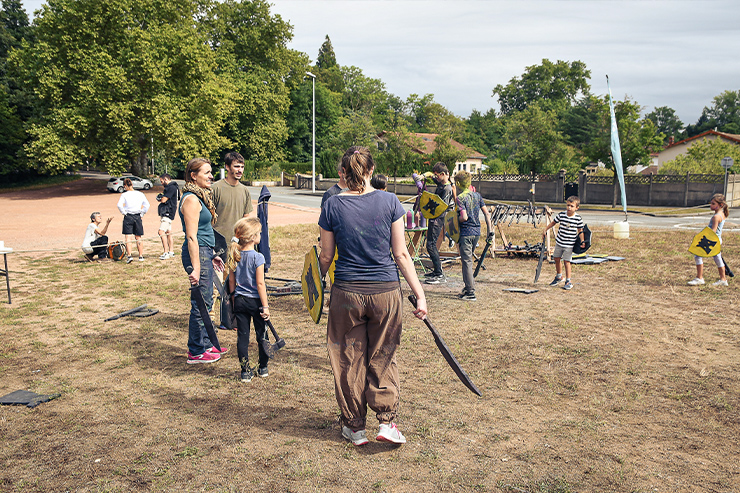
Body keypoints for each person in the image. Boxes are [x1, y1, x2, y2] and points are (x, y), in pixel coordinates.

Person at [318, 146, 428, 447]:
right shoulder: (390, 201)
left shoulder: (331, 205)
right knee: (384, 353)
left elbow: (326, 256)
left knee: (347, 358)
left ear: (344, 172)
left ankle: (354, 427)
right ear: (370, 171)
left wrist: (316, 286)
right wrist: (420, 295)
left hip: (347, 293)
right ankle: (387, 423)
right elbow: (401, 254)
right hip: (385, 292)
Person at [179, 158, 228, 364]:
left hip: (205, 251)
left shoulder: (200, 197)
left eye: (211, 172)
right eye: (206, 173)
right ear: (193, 175)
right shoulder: (191, 199)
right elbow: (191, 236)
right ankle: (196, 351)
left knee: (207, 302)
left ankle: (208, 344)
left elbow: (204, 232)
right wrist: (197, 267)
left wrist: (213, 254)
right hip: (196, 252)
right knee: (200, 303)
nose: (211, 176)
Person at [212, 152, 254, 326]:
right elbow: (207, 218)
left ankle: (232, 319)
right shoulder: (215, 188)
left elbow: (246, 220)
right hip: (217, 246)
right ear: (227, 167)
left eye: (242, 167)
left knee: (234, 285)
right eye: (236, 166)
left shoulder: (244, 191)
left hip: (236, 247)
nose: (240, 170)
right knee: (214, 287)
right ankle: (210, 321)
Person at [225, 217, 270, 382]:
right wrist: (265, 306)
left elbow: (231, 281)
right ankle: (263, 367)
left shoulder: (234, 255)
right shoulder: (258, 257)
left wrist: (233, 297)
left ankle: (245, 371)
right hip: (256, 302)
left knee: (242, 337)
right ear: (253, 237)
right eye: (258, 233)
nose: (260, 235)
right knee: (262, 335)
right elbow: (260, 284)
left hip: (240, 300)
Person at [454, 170, 492, 301]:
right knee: (468, 260)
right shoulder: (477, 196)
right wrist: (490, 232)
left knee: (467, 262)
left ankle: (470, 292)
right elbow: (487, 214)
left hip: (465, 233)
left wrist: (454, 220)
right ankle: (467, 287)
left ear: (458, 183)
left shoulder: (460, 198)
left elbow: (463, 217)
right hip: (477, 232)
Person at [542, 195, 585, 291]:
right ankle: (559, 277)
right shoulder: (561, 215)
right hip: (560, 242)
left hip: (569, 245)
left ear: (577, 208)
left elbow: (580, 230)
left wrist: (582, 241)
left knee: (567, 261)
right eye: (568, 205)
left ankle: (568, 281)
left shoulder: (577, 218)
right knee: (556, 258)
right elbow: (553, 222)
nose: (569, 208)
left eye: (572, 206)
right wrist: (545, 229)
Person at [688, 193, 730, 287]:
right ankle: (723, 279)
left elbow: (712, 232)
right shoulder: (722, 214)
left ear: (720, 205)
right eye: (711, 203)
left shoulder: (716, 217)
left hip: (712, 240)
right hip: (717, 240)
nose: (711, 205)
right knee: (718, 259)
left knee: (698, 256)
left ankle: (700, 278)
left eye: (713, 204)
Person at [425, 162, 453, 285]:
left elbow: (441, 205)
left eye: (437, 175)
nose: (436, 177)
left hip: (438, 219)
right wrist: (429, 176)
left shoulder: (447, 188)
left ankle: (439, 273)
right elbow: (437, 181)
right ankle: (436, 271)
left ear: (443, 174)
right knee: (429, 245)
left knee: (431, 245)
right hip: (434, 218)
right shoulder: (442, 184)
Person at [117, 178, 150, 263]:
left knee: (128, 237)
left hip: (128, 216)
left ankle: (129, 255)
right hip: (137, 216)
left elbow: (119, 205)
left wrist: (124, 212)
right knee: (138, 236)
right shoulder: (140, 194)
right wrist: (142, 213)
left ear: (125, 186)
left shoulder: (124, 195)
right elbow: (147, 205)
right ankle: (140, 256)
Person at [156, 173, 179, 260]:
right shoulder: (173, 187)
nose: (161, 183)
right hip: (169, 212)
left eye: (161, 181)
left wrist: (160, 198)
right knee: (168, 232)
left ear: (166, 179)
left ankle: (166, 252)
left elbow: (164, 200)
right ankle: (171, 251)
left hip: (168, 212)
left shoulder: (171, 187)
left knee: (161, 232)